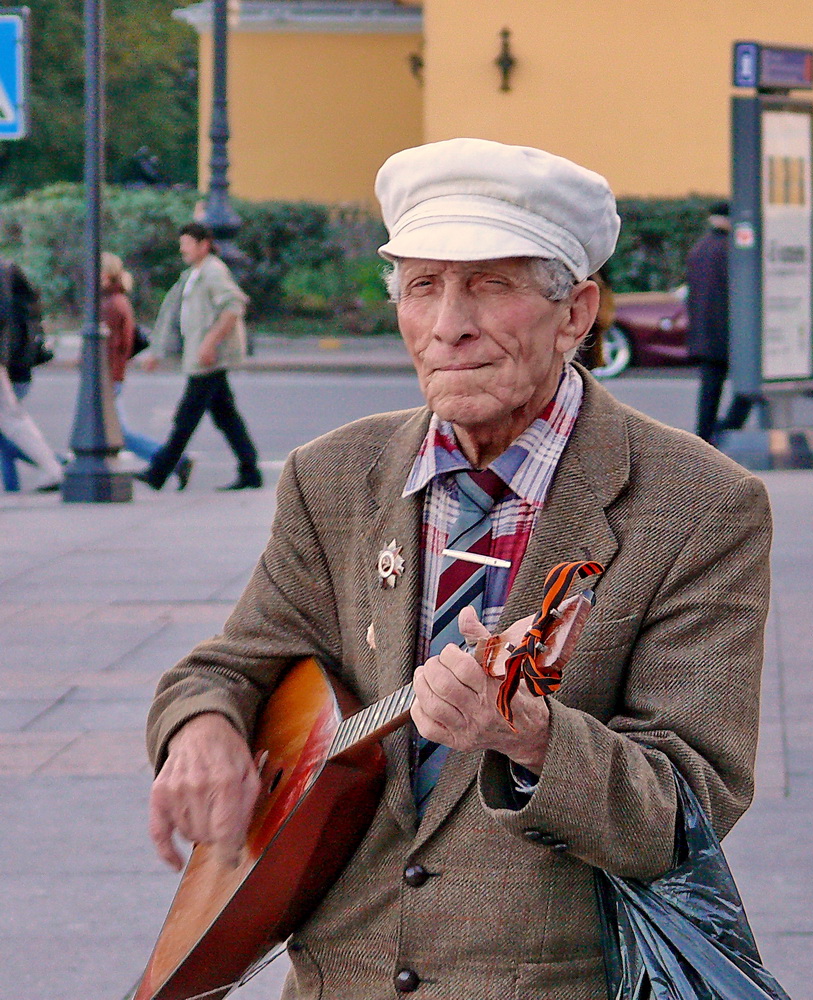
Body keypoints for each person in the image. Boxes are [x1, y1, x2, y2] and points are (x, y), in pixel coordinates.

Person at [145, 139, 772, 999]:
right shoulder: (332, 475)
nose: (449, 325)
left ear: (576, 311)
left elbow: (684, 809)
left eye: (492, 283)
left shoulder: (698, 504)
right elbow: (233, 664)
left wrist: (532, 737)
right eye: (423, 287)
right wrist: (199, 729)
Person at [136, 222, 262, 492]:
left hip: (208, 359)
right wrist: (158, 351)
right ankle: (250, 470)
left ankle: (159, 471)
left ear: (203, 245)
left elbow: (233, 305)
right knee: (226, 417)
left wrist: (209, 343)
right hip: (202, 356)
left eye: (187, 243)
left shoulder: (213, 272)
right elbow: (173, 313)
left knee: (186, 418)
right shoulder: (195, 273)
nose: (182, 249)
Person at [99, 252, 191, 487]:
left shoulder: (111, 303)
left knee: (118, 434)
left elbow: (112, 346)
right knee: (113, 432)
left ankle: (173, 461)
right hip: (112, 375)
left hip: (108, 376)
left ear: (106, 275)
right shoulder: (115, 300)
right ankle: (173, 461)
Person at [686, 201, 755, 441]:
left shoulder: (699, 248)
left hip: (704, 331)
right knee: (750, 385)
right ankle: (728, 428)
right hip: (730, 331)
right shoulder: (732, 250)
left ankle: (704, 435)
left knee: (709, 389)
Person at [0, 260, 64, 493]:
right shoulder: (9, 272)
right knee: (11, 418)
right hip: (10, 360)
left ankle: (54, 467)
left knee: (11, 418)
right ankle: (53, 467)